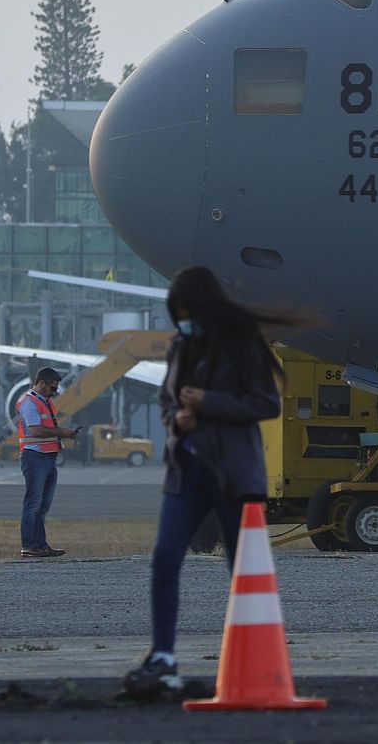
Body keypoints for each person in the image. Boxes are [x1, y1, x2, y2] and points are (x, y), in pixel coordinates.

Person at [124, 267, 289, 698]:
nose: (182, 324)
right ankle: (162, 653)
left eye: (186, 314)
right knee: (165, 557)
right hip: (187, 469)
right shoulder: (181, 346)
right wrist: (175, 417)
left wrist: (208, 403)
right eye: (177, 317)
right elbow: (166, 399)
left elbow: (265, 404)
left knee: (242, 568)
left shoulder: (240, 344)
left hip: (233, 474)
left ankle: (254, 657)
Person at [15, 367, 81, 558]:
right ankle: (29, 545)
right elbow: (36, 431)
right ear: (41, 383)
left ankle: (40, 545)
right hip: (35, 458)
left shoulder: (45, 402)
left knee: (42, 506)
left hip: (48, 457)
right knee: (33, 504)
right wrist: (63, 432)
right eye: (52, 388)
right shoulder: (29, 403)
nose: (54, 392)